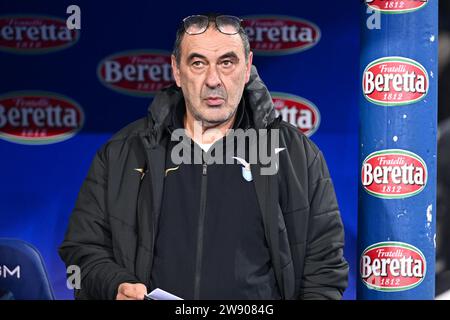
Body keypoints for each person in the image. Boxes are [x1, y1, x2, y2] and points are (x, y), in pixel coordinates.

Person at [59, 14, 348, 300]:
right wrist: (115, 285)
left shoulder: (297, 156)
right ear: (176, 70)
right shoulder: (122, 152)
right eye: (198, 63)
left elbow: (324, 272)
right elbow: (82, 249)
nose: (213, 80)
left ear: (247, 68)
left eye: (227, 62)